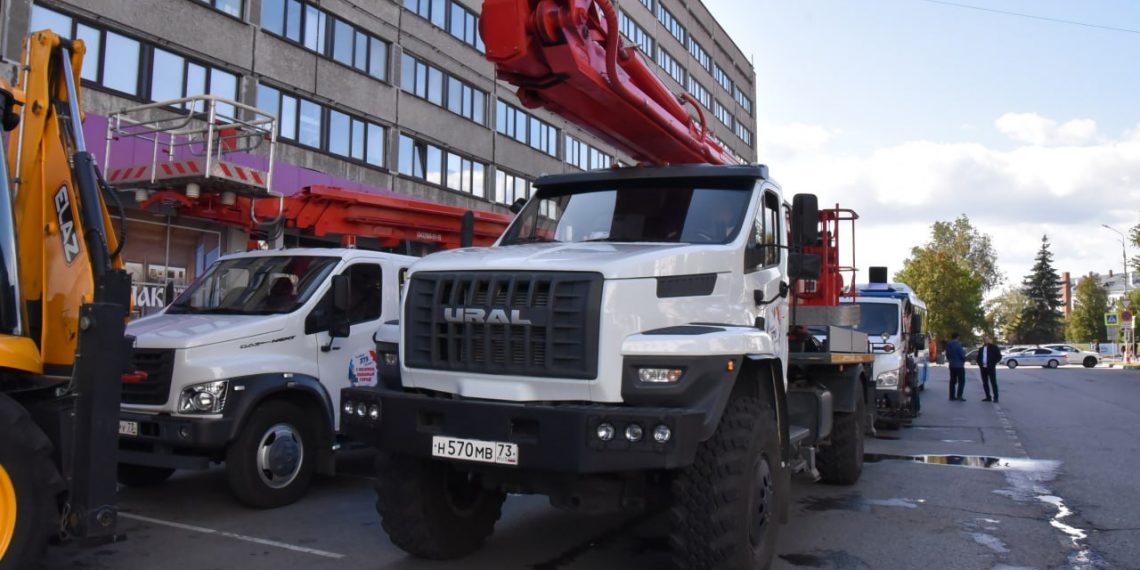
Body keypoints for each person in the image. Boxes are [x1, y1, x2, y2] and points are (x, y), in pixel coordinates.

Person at [977, 335, 1002, 403]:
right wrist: (980, 364)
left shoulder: (994, 347)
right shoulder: (981, 349)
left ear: (989, 340)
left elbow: (999, 356)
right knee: (985, 383)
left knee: (993, 383)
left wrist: (993, 363)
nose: (985, 340)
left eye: (987, 339)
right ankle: (988, 397)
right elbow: (978, 358)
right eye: (984, 339)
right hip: (983, 368)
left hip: (991, 368)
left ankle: (996, 397)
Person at [946, 332, 967, 401]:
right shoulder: (958, 344)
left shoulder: (948, 344)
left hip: (952, 365)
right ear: (957, 337)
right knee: (961, 381)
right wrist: (964, 359)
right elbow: (962, 354)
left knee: (952, 381)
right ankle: (959, 396)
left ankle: (951, 396)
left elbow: (947, 354)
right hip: (959, 366)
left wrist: (950, 360)